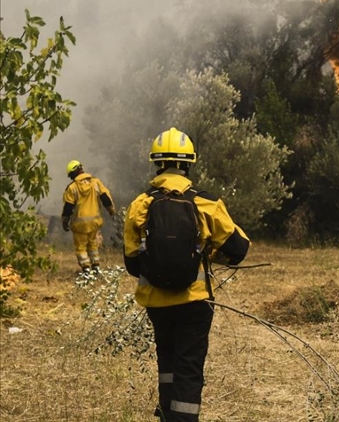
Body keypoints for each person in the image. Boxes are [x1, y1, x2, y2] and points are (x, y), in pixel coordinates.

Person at [123, 127, 250, 422]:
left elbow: (132, 265)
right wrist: (208, 252)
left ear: (157, 163)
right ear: (188, 163)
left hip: (156, 303)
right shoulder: (206, 203)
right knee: (188, 366)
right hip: (194, 304)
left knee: (167, 360)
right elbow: (240, 249)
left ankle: (167, 414)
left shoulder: (140, 205)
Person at [62, 160, 115, 273]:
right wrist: (111, 210)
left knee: (81, 247)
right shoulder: (95, 183)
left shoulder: (72, 188)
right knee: (93, 244)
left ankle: (86, 268)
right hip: (95, 221)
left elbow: (68, 207)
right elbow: (105, 197)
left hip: (79, 223)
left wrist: (65, 221)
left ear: (72, 174)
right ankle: (96, 266)